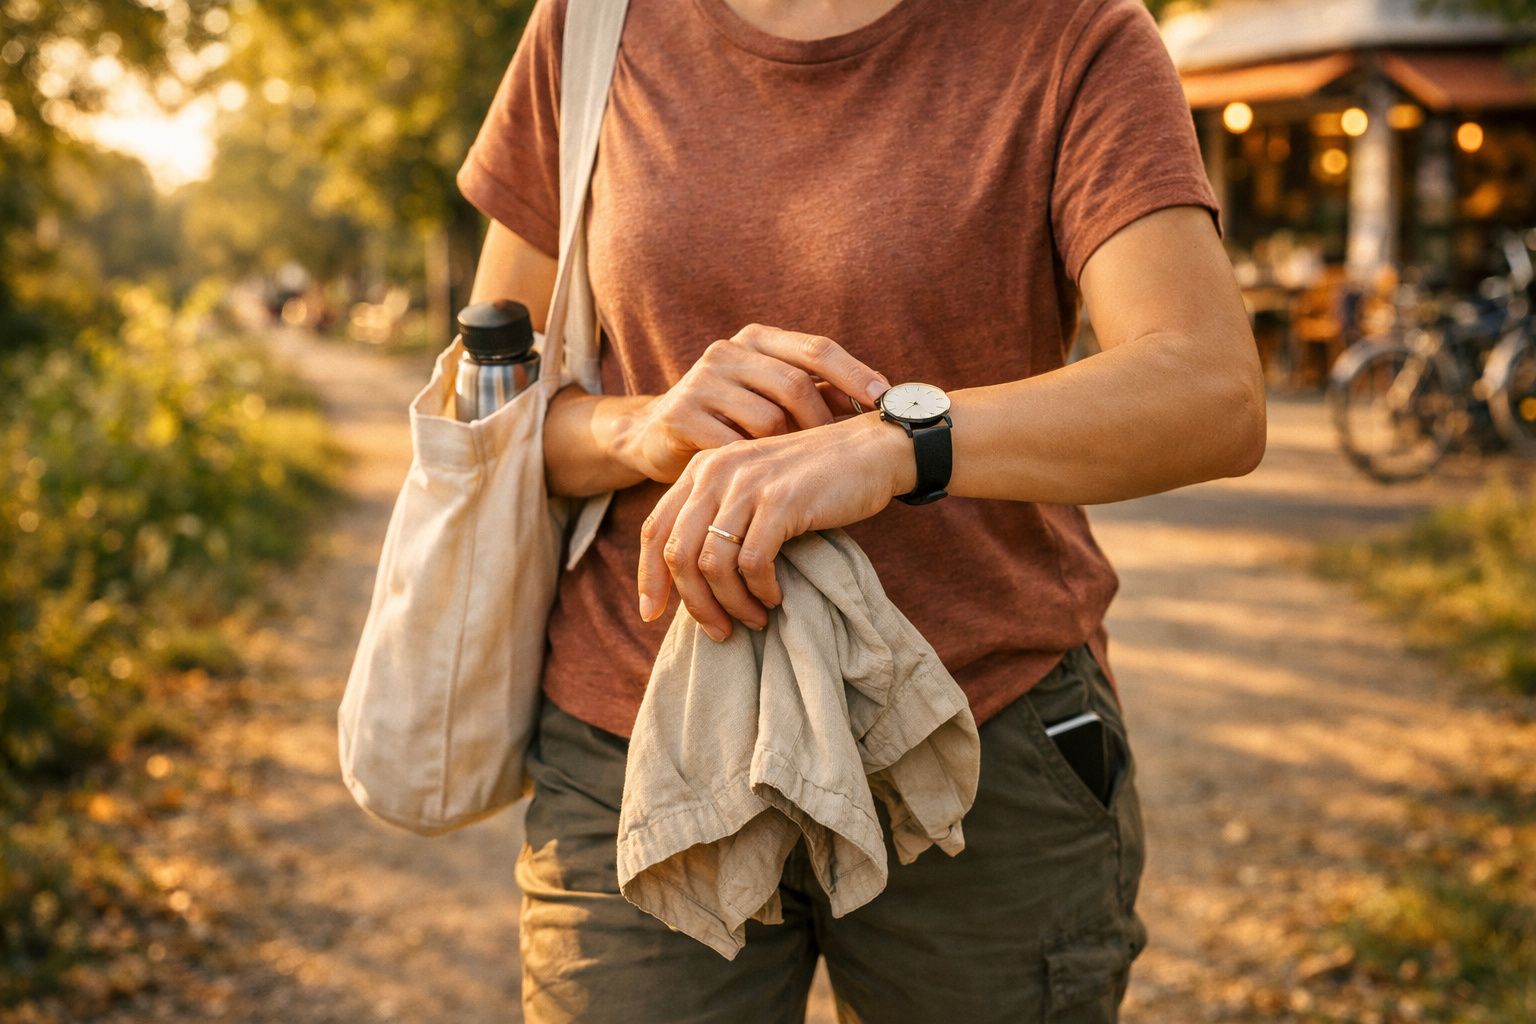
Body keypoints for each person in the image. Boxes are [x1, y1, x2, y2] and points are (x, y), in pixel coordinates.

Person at [459, 0, 1265, 1019]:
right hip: (639, 740)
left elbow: (1213, 391)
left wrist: (894, 446)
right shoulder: (593, 25)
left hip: (979, 744)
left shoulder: (1073, 34)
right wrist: (642, 428)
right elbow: (489, 412)